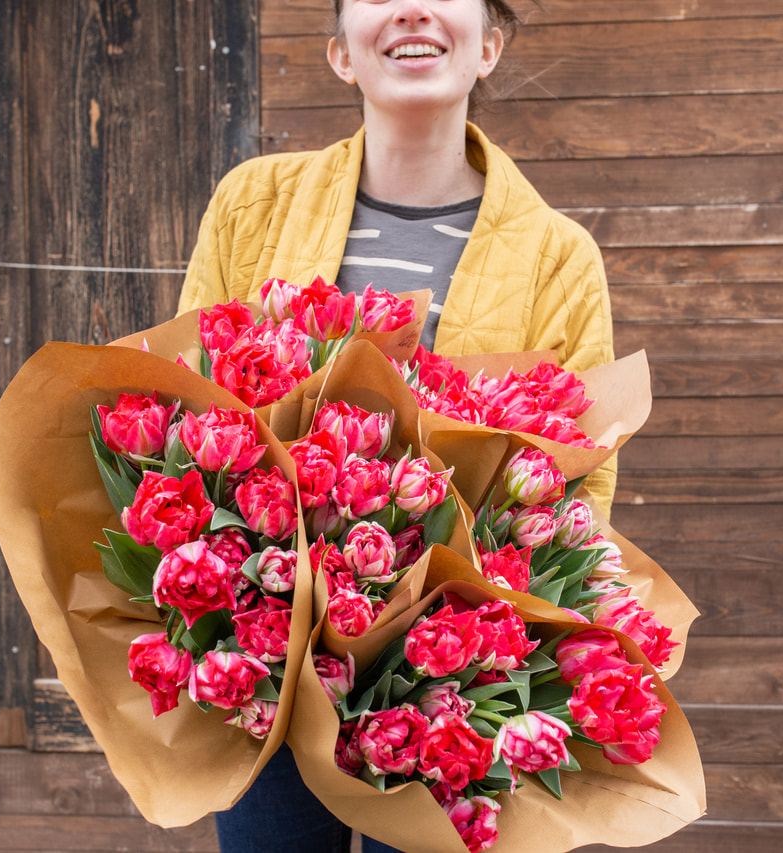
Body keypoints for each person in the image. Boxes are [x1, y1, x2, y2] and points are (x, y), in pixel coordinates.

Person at [176, 1, 616, 849]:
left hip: (449, 691)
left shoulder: (559, 259)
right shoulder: (251, 206)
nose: (412, 7)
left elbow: (580, 489)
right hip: (270, 661)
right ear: (341, 52)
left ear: (489, 45)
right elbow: (191, 404)